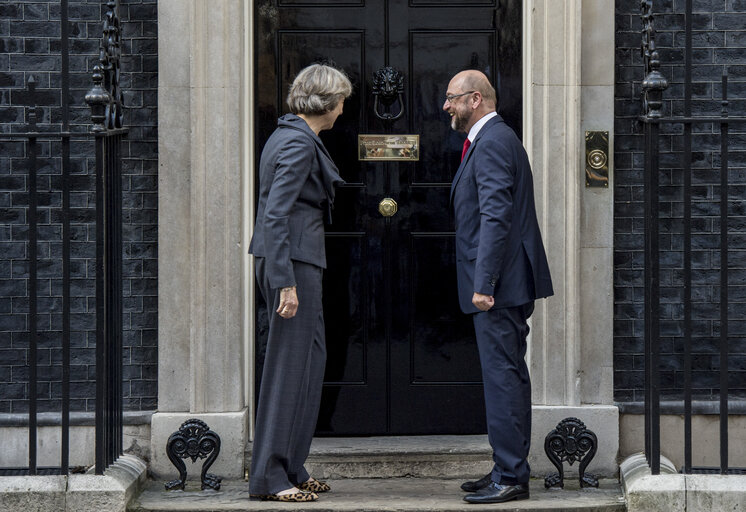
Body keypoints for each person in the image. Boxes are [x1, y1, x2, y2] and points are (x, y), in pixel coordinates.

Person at [443, 70, 553, 504]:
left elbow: (496, 216)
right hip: (504, 283)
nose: (446, 107)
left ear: (475, 99)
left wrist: (483, 283)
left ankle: (510, 476)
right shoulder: (490, 141)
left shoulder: (491, 143)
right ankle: (507, 467)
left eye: (452, 99)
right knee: (507, 374)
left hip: (499, 286)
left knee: (503, 377)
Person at [248, 63, 352, 502]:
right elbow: (275, 213)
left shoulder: (290, 135)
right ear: (328, 103)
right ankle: (270, 477)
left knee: (309, 365)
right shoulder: (297, 142)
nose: (344, 108)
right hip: (290, 262)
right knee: (288, 370)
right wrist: (285, 282)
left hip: (298, 259)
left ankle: (291, 464)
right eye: (342, 99)